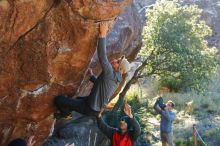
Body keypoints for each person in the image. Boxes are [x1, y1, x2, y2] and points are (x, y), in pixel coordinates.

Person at [54, 21, 130, 119]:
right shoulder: (116, 78)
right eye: (118, 59)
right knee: (76, 99)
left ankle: (66, 115)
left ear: (118, 68)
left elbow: (102, 57)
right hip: (93, 104)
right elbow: (102, 86)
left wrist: (102, 35)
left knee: (59, 99)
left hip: (90, 108)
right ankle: (69, 109)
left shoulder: (110, 73)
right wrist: (92, 76)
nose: (115, 60)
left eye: (118, 61)